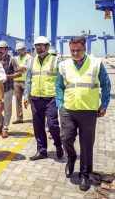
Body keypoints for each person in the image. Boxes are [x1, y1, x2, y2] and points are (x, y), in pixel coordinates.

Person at [56, 36, 111, 191]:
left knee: (86, 145)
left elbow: (106, 85)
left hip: (88, 111)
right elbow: (59, 86)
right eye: (72, 50)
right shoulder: (64, 65)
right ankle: (71, 157)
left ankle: (85, 175)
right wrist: (60, 104)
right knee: (66, 138)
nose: (74, 53)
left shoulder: (96, 64)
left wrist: (104, 104)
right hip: (68, 110)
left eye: (78, 50)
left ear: (84, 48)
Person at [23, 36, 63, 161]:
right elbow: (28, 79)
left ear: (47, 46)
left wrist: (61, 97)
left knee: (52, 124)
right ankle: (42, 151)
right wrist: (26, 95)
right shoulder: (31, 61)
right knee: (38, 126)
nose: (39, 48)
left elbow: (62, 80)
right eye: (37, 46)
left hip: (50, 98)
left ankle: (58, 144)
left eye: (42, 45)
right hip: (35, 98)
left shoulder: (56, 60)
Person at [0, 40, 21, 138]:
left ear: (6, 49)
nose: (0, 51)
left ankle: (5, 128)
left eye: (2, 49)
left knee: (7, 110)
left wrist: (7, 77)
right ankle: (2, 123)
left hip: (8, 89)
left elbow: (19, 73)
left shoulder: (12, 60)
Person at [13, 41, 32, 124]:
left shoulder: (29, 58)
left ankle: (36, 116)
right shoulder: (16, 58)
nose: (19, 51)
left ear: (24, 49)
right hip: (16, 81)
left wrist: (18, 68)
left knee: (30, 99)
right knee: (18, 100)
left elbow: (27, 69)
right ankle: (19, 118)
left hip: (26, 82)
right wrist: (20, 68)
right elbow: (15, 68)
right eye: (18, 50)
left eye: (20, 50)